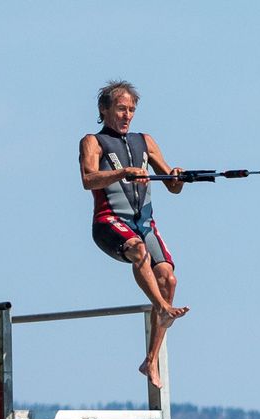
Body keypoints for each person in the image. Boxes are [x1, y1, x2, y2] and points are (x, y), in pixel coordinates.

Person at [79, 80, 189, 389]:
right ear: (104, 110)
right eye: (121, 109)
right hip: (109, 222)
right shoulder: (92, 142)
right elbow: (88, 179)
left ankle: (150, 360)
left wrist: (178, 176)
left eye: (131, 110)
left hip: (145, 224)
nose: (127, 115)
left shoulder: (145, 141)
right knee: (138, 250)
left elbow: (173, 186)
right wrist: (124, 172)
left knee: (168, 278)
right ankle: (163, 308)